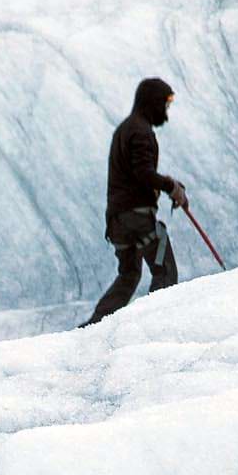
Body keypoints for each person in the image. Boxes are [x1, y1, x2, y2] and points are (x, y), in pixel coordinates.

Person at [85, 77, 189, 326]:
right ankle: (155, 325)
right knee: (164, 269)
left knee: (129, 274)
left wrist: (168, 187)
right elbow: (143, 173)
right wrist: (171, 187)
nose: (166, 111)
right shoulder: (140, 132)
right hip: (137, 217)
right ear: (152, 103)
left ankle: (94, 326)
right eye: (164, 104)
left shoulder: (124, 129)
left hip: (117, 220)